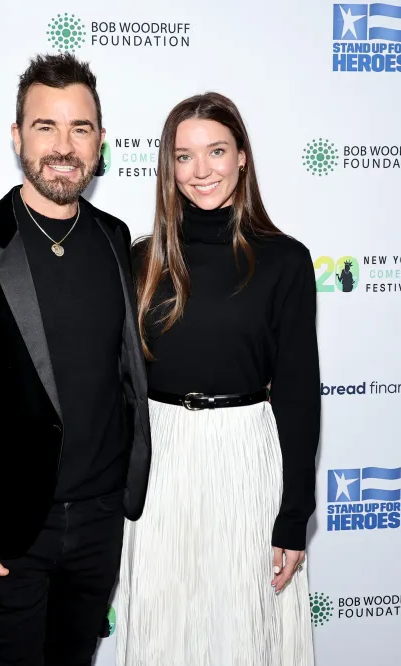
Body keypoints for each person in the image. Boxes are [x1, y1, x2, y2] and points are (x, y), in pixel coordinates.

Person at [0, 52, 151, 666]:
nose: (64, 146)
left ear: (100, 142)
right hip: (7, 534)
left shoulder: (115, 238)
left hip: (100, 525)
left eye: (81, 128)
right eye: (46, 127)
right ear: (18, 137)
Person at [116, 92, 321, 665]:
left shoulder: (284, 260)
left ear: (243, 157)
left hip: (244, 458)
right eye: (184, 156)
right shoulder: (141, 259)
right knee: (162, 627)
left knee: (241, 629)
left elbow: (300, 392)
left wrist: (294, 515)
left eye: (216, 152)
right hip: (161, 464)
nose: (200, 170)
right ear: (168, 166)